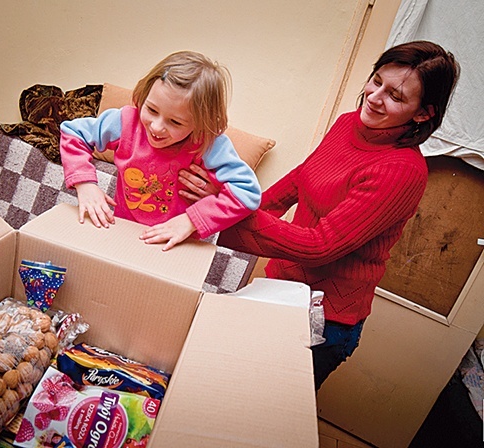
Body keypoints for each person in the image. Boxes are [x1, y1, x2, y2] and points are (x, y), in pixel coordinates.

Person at [178, 40, 460, 390]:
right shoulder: (347, 124)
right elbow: (300, 180)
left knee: (264, 412)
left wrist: (227, 212)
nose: (374, 97)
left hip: (325, 319)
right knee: (228, 383)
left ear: (422, 113)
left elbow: (320, 246)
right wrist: (230, 205)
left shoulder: (401, 171)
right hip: (279, 288)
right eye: (376, 81)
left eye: (396, 96)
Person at [60, 50, 261, 251]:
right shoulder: (126, 122)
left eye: (175, 122)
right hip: (121, 231)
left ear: (200, 124)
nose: (156, 127)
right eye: (152, 110)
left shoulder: (207, 145)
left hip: (176, 245)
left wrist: (191, 220)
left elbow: (247, 192)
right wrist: (85, 184)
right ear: (144, 95)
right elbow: (74, 133)